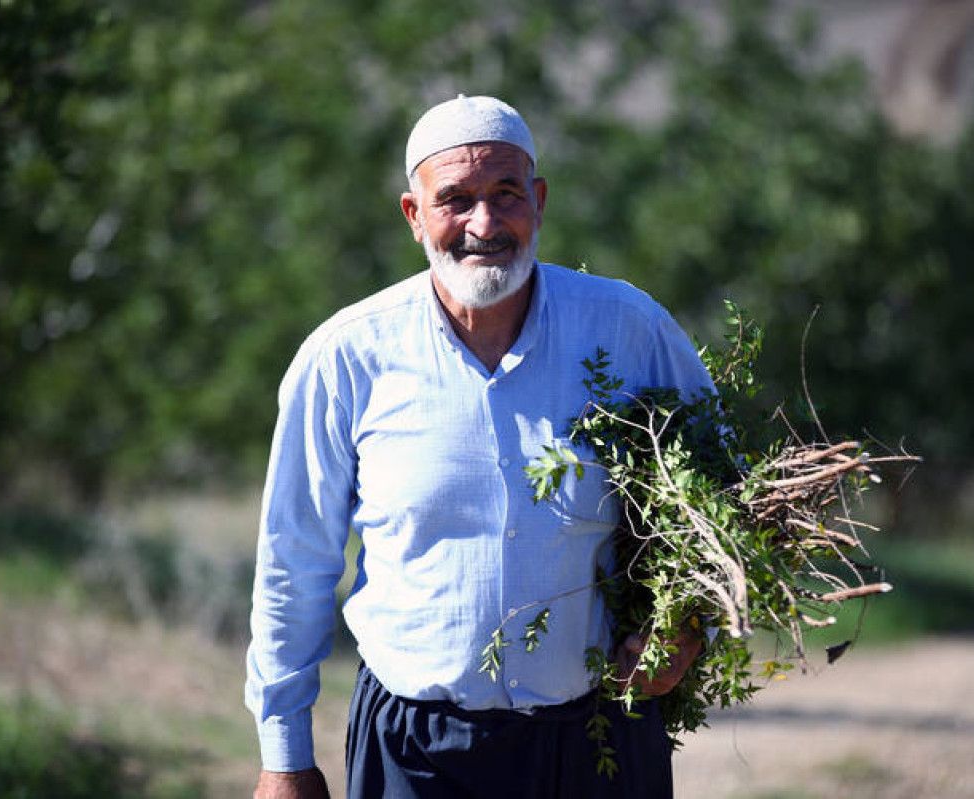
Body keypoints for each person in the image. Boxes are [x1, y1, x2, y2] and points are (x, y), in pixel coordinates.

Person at [246, 95, 714, 799]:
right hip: (415, 750)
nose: (485, 224)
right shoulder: (348, 355)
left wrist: (685, 625)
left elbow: (716, 489)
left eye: (505, 194)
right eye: (456, 200)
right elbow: (295, 558)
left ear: (539, 201)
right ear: (414, 215)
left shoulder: (628, 329)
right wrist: (284, 758)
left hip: (598, 738)